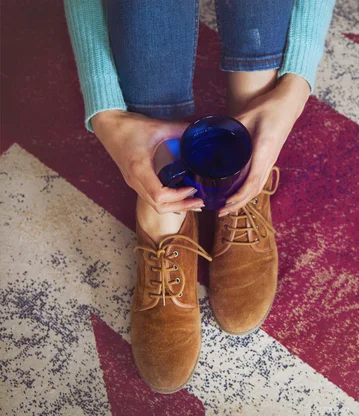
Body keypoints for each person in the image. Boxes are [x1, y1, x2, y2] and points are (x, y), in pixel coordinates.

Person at [64, 0, 335, 393]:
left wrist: (294, 87)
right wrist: (106, 112)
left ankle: (242, 164)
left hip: (261, 84)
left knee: (253, 96)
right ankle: (165, 216)